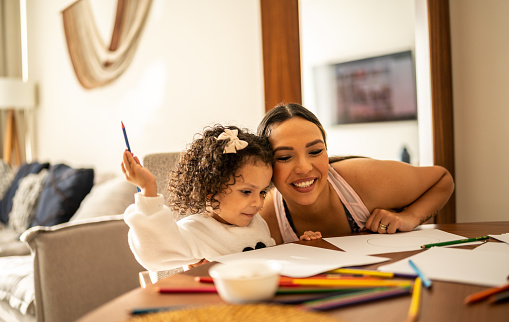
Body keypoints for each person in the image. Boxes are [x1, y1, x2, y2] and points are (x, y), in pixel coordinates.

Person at [121, 124, 318, 272]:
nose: (258, 203)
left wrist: (300, 248)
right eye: (246, 192)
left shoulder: (256, 223)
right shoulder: (196, 231)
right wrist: (148, 190)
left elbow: (269, 264)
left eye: (262, 192)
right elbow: (156, 251)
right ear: (210, 188)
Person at [257, 103, 455, 244]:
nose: (304, 168)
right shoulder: (264, 216)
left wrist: (411, 216)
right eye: (284, 157)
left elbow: (442, 179)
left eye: (315, 152)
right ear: (267, 164)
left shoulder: (363, 180)